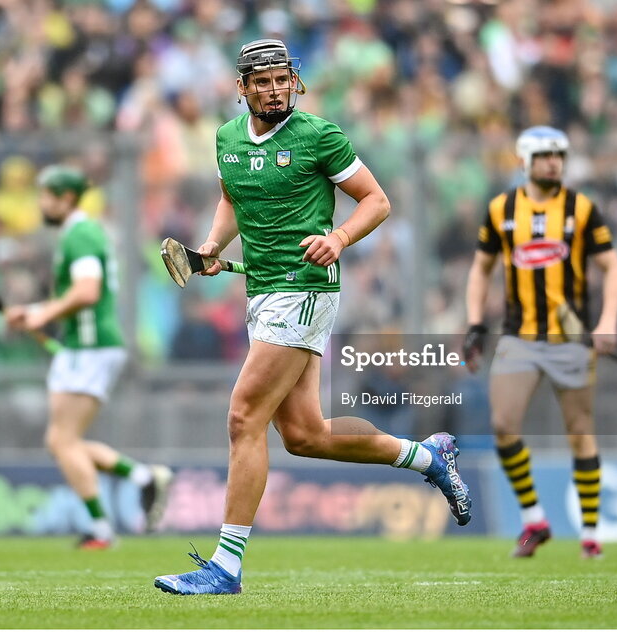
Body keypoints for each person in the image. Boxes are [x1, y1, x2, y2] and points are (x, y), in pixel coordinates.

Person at [153, 39, 472, 596]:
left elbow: (376, 200)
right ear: (243, 88)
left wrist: (339, 237)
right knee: (305, 435)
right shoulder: (227, 139)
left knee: (242, 417)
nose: (275, 89)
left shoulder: (319, 136)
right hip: (263, 292)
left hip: (305, 287)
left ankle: (226, 568)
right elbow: (232, 198)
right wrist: (210, 246)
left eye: (282, 79)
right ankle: (428, 456)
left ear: (293, 81)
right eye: (264, 81)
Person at [463, 126, 617, 559]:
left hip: (571, 339)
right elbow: (481, 269)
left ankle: (590, 534)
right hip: (519, 336)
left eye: (559, 155)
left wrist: (608, 320)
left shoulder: (581, 209)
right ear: (525, 161)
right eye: (545, 155)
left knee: (580, 432)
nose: (554, 162)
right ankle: (535, 519)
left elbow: (614, 268)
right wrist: (476, 323)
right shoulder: (502, 209)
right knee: (503, 425)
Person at [5, 165, 173, 549]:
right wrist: (35, 309)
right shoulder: (78, 232)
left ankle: (101, 528)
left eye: (46, 196)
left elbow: (87, 292)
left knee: (62, 441)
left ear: (65, 199)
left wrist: (43, 315)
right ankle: (144, 478)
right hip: (86, 345)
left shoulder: (80, 233)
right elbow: (78, 295)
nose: (40, 203)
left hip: (91, 346)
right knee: (64, 441)